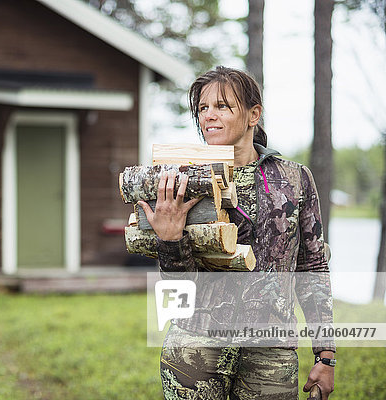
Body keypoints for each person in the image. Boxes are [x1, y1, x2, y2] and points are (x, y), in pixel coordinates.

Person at [138, 66, 335, 399]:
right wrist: (170, 241)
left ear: (253, 114)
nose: (209, 117)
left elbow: (313, 268)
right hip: (196, 347)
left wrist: (325, 354)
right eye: (202, 108)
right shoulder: (183, 180)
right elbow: (177, 297)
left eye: (222, 106)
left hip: (271, 351)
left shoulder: (295, 180)